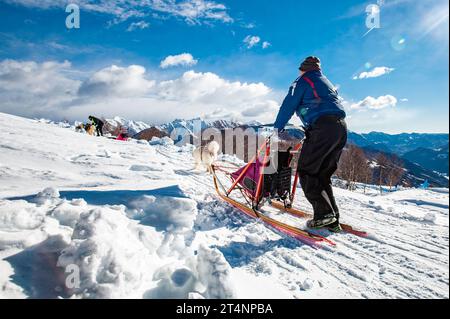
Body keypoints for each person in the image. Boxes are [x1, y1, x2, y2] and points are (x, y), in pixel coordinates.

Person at [273, 56, 347, 232]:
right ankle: (331, 217)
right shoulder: (325, 81)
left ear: (303, 69)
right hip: (340, 129)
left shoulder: (302, 80)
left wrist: (277, 128)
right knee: (322, 175)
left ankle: (323, 214)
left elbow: (288, 104)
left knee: (306, 170)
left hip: (322, 128)